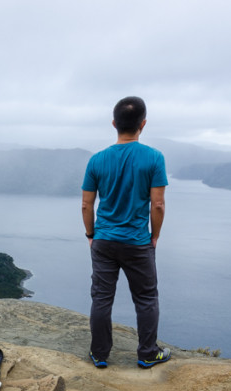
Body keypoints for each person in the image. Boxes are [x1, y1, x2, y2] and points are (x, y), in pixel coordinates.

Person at [81, 96, 170, 369]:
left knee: (102, 298)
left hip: (104, 240)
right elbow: (157, 204)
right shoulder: (154, 158)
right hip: (137, 242)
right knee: (145, 298)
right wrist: (154, 236)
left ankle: (99, 354)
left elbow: (86, 204)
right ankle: (147, 354)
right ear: (143, 124)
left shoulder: (97, 160)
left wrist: (90, 235)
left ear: (114, 124)